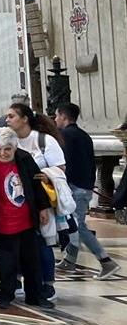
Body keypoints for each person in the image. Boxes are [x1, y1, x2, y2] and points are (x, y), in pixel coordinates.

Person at [0, 127, 55, 309]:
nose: (3, 153)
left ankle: (35, 295)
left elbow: (35, 185)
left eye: (7, 149)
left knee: (32, 262)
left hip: (25, 220)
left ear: (15, 147)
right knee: (6, 264)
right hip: (1, 223)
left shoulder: (24, 159)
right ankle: (6, 294)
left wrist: (42, 208)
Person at [4, 102, 65, 300]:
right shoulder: (9, 141)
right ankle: (19, 279)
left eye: (11, 116)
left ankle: (47, 283)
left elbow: (61, 168)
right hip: (15, 199)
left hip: (40, 199)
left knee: (42, 242)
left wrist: (45, 174)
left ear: (24, 119)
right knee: (17, 243)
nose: (7, 120)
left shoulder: (44, 140)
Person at [55, 103, 121, 279]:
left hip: (75, 187)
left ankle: (106, 261)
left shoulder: (65, 135)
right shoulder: (84, 135)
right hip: (85, 185)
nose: (55, 120)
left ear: (63, 116)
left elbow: (65, 163)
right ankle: (70, 260)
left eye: (57, 116)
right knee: (75, 223)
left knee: (78, 226)